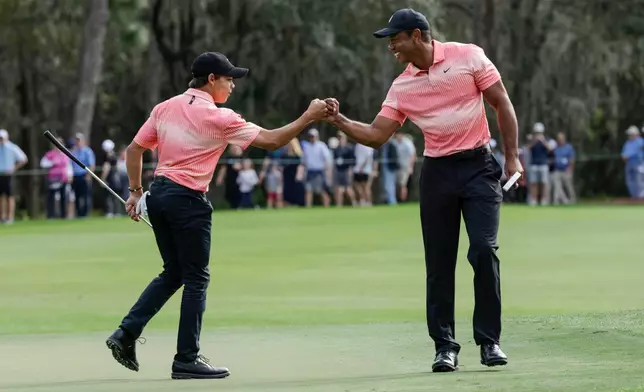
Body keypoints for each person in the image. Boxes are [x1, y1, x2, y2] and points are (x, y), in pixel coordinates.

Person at [105, 51, 330, 379]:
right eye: (228, 79)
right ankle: (186, 358)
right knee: (196, 278)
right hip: (189, 200)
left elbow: (134, 150)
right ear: (211, 80)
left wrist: (136, 191)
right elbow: (270, 140)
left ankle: (125, 334)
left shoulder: (165, 108)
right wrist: (308, 116)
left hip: (160, 196)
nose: (233, 85)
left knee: (174, 273)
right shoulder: (219, 117)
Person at [324, 8, 522, 372]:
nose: (391, 47)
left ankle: (489, 341)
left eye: (395, 39)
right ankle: (445, 346)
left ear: (417, 35)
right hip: (437, 173)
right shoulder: (402, 85)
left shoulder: (468, 56)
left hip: (479, 167)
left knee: (483, 249)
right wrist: (339, 120)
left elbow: (501, 102)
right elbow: (376, 135)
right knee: (439, 262)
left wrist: (511, 158)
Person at [0, 129, 28, 224]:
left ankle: (10, 217)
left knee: (10, 196)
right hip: (0, 174)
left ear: (6, 137)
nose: (1, 140)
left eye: (2, 138)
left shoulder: (12, 147)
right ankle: (2, 217)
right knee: (1, 196)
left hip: (9, 174)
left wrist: (14, 167)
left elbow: (23, 159)